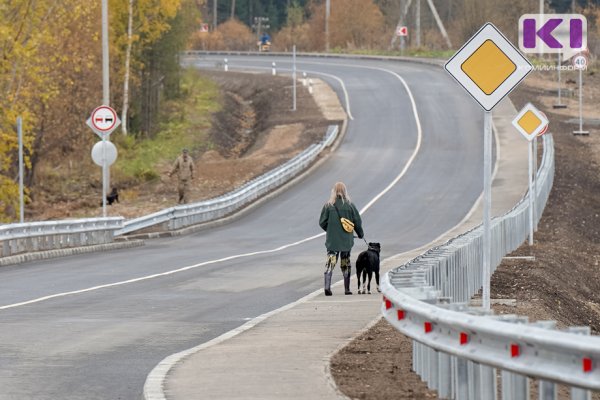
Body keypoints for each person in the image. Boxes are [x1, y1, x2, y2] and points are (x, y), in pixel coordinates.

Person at [319, 182, 364, 296]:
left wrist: (330, 230)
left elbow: (322, 222)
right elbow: (357, 222)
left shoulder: (328, 206)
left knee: (331, 261)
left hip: (332, 240)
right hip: (346, 240)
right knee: (345, 262)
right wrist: (360, 234)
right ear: (345, 191)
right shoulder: (350, 205)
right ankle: (347, 289)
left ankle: (327, 287)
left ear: (333, 191)